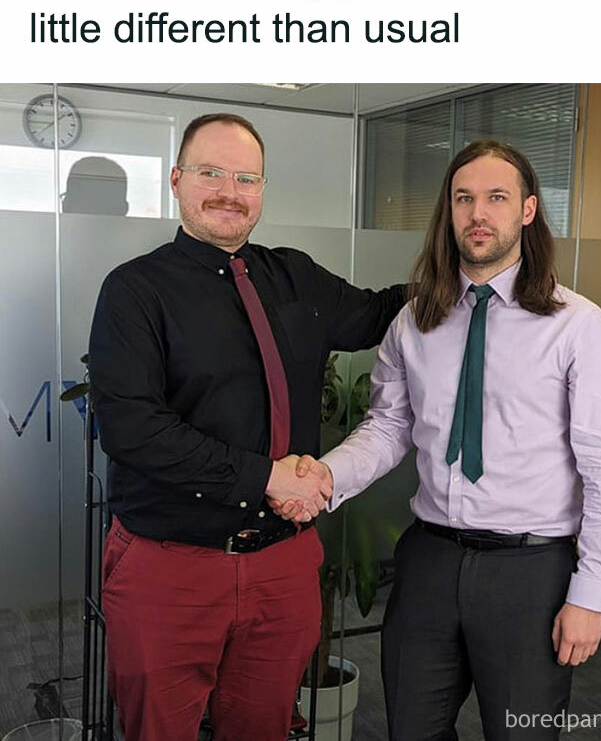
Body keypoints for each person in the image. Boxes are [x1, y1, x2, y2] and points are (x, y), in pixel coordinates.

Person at [282, 139, 601, 741]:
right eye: (464, 198)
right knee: (412, 731)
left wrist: (592, 593)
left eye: (496, 197)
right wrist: (326, 476)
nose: (479, 213)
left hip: (532, 571)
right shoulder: (416, 319)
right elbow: (389, 426)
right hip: (429, 558)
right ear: (449, 212)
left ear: (527, 210)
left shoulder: (578, 326)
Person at [88, 112, 402, 741]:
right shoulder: (134, 290)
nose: (230, 191)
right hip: (169, 568)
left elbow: (377, 316)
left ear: (262, 189)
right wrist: (264, 479)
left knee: (263, 727)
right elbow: (133, 429)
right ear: (177, 181)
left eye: (246, 178)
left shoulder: (295, 274)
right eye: (211, 173)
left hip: (281, 567)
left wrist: (470, 275)